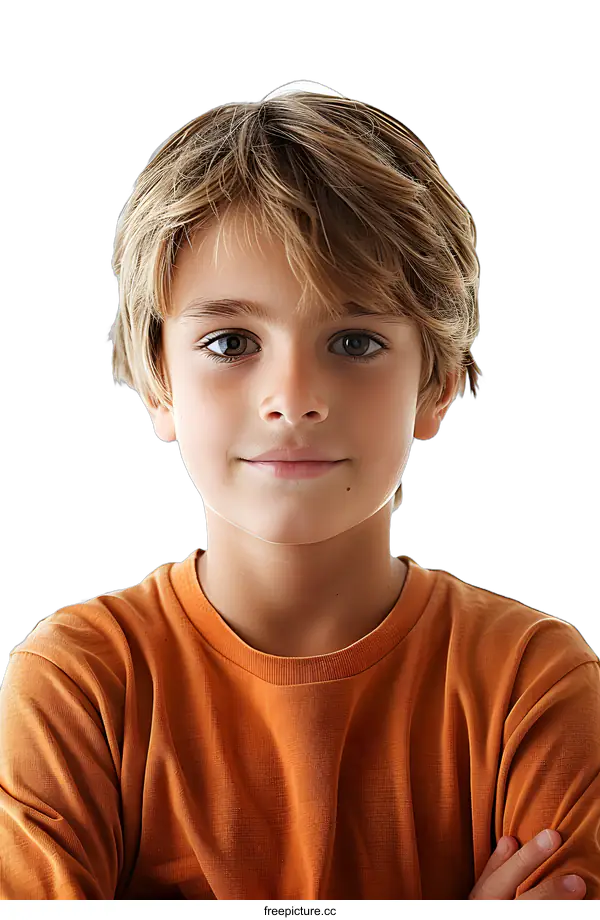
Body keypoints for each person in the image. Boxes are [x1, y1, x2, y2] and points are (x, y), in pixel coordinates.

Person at [1, 86, 597, 900]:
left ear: (439, 384)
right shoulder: (80, 685)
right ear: (156, 380)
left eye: (354, 341)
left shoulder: (534, 682)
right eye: (230, 341)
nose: (293, 397)